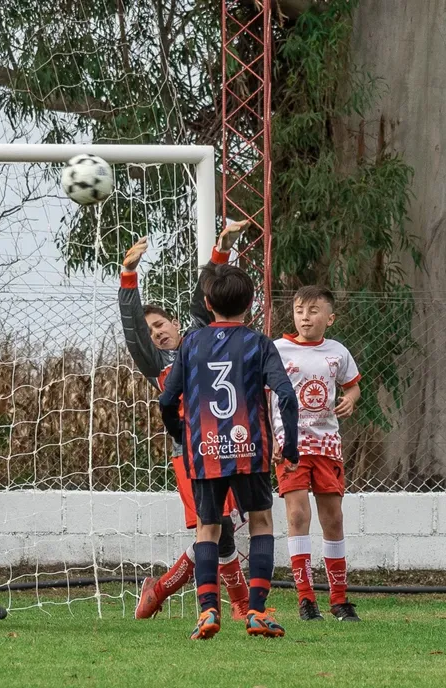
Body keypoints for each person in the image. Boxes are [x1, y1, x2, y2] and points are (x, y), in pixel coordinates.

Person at [119, 222, 252, 620]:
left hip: (225, 443)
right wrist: (129, 275)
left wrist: (221, 251)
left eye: (159, 325)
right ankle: (242, 606)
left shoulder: (200, 337)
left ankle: (159, 591)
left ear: (175, 324)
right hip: (189, 452)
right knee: (216, 529)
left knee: (221, 529)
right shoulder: (156, 362)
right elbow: (133, 332)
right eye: (149, 331)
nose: (155, 333)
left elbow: (203, 298)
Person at [159, 264, 300, 640]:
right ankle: (256, 611)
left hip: (204, 451)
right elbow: (286, 395)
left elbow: (167, 400)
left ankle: (207, 613)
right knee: (261, 523)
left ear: (207, 303)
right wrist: (291, 445)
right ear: (251, 304)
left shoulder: (190, 343)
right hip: (249, 447)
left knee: (207, 528)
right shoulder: (259, 344)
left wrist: (182, 435)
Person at [270, 286, 362, 622]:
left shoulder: (337, 352)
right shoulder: (277, 350)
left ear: (330, 317)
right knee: (297, 516)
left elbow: (353, 385)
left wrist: (351, 397)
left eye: (313, 310)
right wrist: (273, 439)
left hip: (327, 445)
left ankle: (339, 599)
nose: (305, 317)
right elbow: (263, 397)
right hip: (291, 444)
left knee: (333, 518)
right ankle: (306, 600)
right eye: (299, 310)